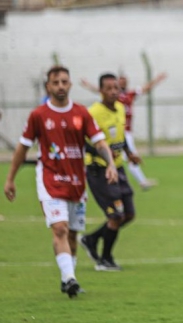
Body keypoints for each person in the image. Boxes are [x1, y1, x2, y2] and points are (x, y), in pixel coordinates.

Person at [4, 66, 117, 298]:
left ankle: (68, 279)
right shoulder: (38, 115)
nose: (60, 86)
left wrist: (111, 164)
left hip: (76, 181)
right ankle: (70, 278)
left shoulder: (81, 113)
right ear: (48, 86)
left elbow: (99, 142)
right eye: (55, 83)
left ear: (70, 84)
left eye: (64, 82)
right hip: (50, 180)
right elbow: (22, 148)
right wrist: (10, 179)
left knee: (73, 234)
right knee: (60, 228)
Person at [78, 73, 137, 272]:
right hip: (99, 171)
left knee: (128, 214)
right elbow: (83, 142)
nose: (113, 92)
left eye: (116, 88)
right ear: (101, 90)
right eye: (108, 88)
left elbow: (121, 136)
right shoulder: (92, 113)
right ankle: (105, 260)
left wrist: (130, 153)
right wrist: (102, 153)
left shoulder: (120, 108)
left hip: (118, 168)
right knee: (116, 216)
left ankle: (91, 239)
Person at [81, 71, 167, 190]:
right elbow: (100, 90)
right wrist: (88, 85)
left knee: (125, 156)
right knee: (113, 155)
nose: (114, 91)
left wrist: (157, 80)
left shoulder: (129, 95)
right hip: (113, 132)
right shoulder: (109, 101)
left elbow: (145, 89)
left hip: (124, 132)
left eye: (120, 83)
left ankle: (137, 180)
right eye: (120, 80)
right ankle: (140, 181)